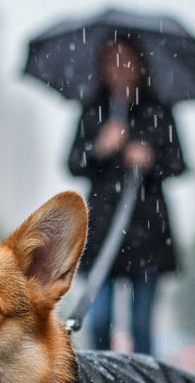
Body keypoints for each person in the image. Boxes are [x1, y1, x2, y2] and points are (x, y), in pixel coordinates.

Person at [68, 36, 185, 356]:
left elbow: (178, 162)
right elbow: (73, 162)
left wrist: (150, 159)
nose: (119, 68)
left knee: (142, 323)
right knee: (99, 317)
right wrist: (100, 148)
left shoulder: (157, 110)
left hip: (147, 227)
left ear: (140, 65)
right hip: (103, 228)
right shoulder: (92, 111)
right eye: (111, 61)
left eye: (127, 60)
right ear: (102, 68)